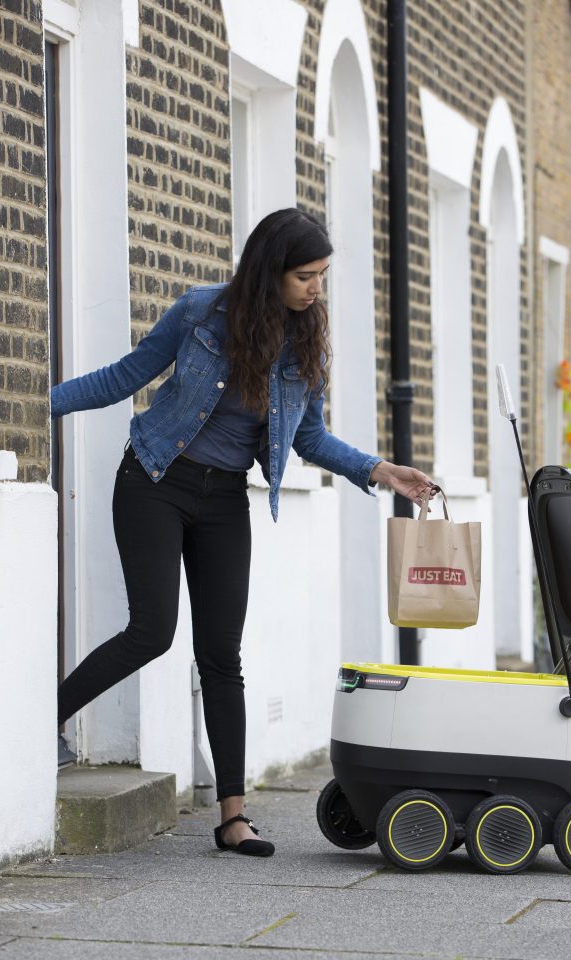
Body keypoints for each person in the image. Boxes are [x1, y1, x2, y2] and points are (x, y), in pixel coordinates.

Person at [51, 208, 435, 858]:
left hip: (226, 500)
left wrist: (378, 470)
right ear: (270, 271)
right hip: (155, 479)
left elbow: (307, 437)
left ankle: (233, 818)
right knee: (152, 630)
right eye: (305, 276)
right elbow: (125, 376)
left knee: (222, 656)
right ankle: (42, 717)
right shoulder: (201, 314)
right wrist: (38, 401)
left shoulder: (308, 343)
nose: (316, 288)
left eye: (321, 276)